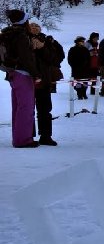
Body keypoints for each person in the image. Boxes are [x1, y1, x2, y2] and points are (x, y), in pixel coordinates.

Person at [2, 9, 40, 147]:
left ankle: (18, 138)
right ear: (24, 21)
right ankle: (23, 140)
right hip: (23, 74)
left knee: (17, 107)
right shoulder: (21, 36)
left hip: (13, 74)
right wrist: (36, 74)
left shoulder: (8, 34)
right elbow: (26, 58)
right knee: (26, 108)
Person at [27, 19, 64, 146]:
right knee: (27, 110)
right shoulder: (24, 39)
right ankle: (28, 136)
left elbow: (54, 59)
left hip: (44, 81)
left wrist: (42, 48)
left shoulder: (46, 41)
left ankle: (46, 136)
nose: (34, 28)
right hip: (28, 81)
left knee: (45, 110)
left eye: (37, 25)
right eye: (32, 25)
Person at [67, 35, 91, 100]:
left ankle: (84, 93)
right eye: (82, 41)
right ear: (77, 42)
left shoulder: (85, 50)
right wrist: (74, 66)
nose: (83, 42)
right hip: (76, 70)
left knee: (85, 83)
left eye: (83, 41)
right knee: (78, 83)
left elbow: (89, 59)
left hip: (85, 70)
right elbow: (70, 59)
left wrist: (87, 66)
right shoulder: (73, 49)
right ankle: (79, 94)